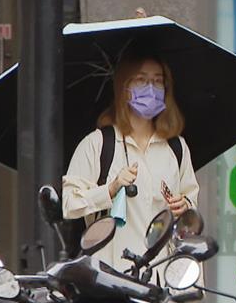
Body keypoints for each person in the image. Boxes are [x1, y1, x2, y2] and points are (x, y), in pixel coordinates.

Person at [63, 50, 199, 269]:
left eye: (158, 81)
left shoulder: (176, 148)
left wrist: (185, 206)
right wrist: (110, 189)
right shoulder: (98, 144)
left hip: (161, 275)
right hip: (110, 274)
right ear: (124, 89)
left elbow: (191, 205)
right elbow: (70, 203)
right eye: (141, 80)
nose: (151, 88)